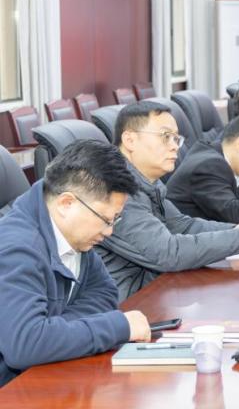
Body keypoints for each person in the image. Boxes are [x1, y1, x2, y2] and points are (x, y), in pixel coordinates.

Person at [0, 141, 152, 387]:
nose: (109, 231)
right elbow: (25, 345)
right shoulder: (16, 249)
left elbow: (105, 295)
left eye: (114, 220)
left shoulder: (73, 235)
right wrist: (118, 327)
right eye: (105, 219)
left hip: (40, 377)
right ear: (66, 204)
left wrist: (54, 331)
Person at [97, 102, 239, 300]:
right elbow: (167, 253)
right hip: (129, 303)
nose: (175, 146)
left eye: (176, 138)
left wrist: (238, 230)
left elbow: (184, 225)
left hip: (157, 290)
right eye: (165, 136)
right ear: (130, 140)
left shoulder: (149, 183)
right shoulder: (117, 190)